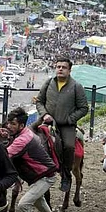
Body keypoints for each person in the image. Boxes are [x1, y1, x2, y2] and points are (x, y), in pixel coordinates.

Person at [5, 108, 63, 212]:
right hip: (39, 176)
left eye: (13, 124)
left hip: (45, 176)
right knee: (38, 200)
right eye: (8, 123)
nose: (9, 126)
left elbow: (4, 156)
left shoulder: (23, 139)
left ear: (21, 125)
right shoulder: (23, 133)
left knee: (23, 205)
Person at [35, 57, 90, 193]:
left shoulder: (76, 87)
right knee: (30, 137)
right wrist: (44, 114)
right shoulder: (48, 83)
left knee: (69, 146)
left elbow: (84, 108)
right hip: (46, 120)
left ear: (69, 70)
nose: (60, 69)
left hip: (66, 125)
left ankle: (66, 175)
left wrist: (69, 119)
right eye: (58, 66)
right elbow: (39, 102)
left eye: (63, 67)